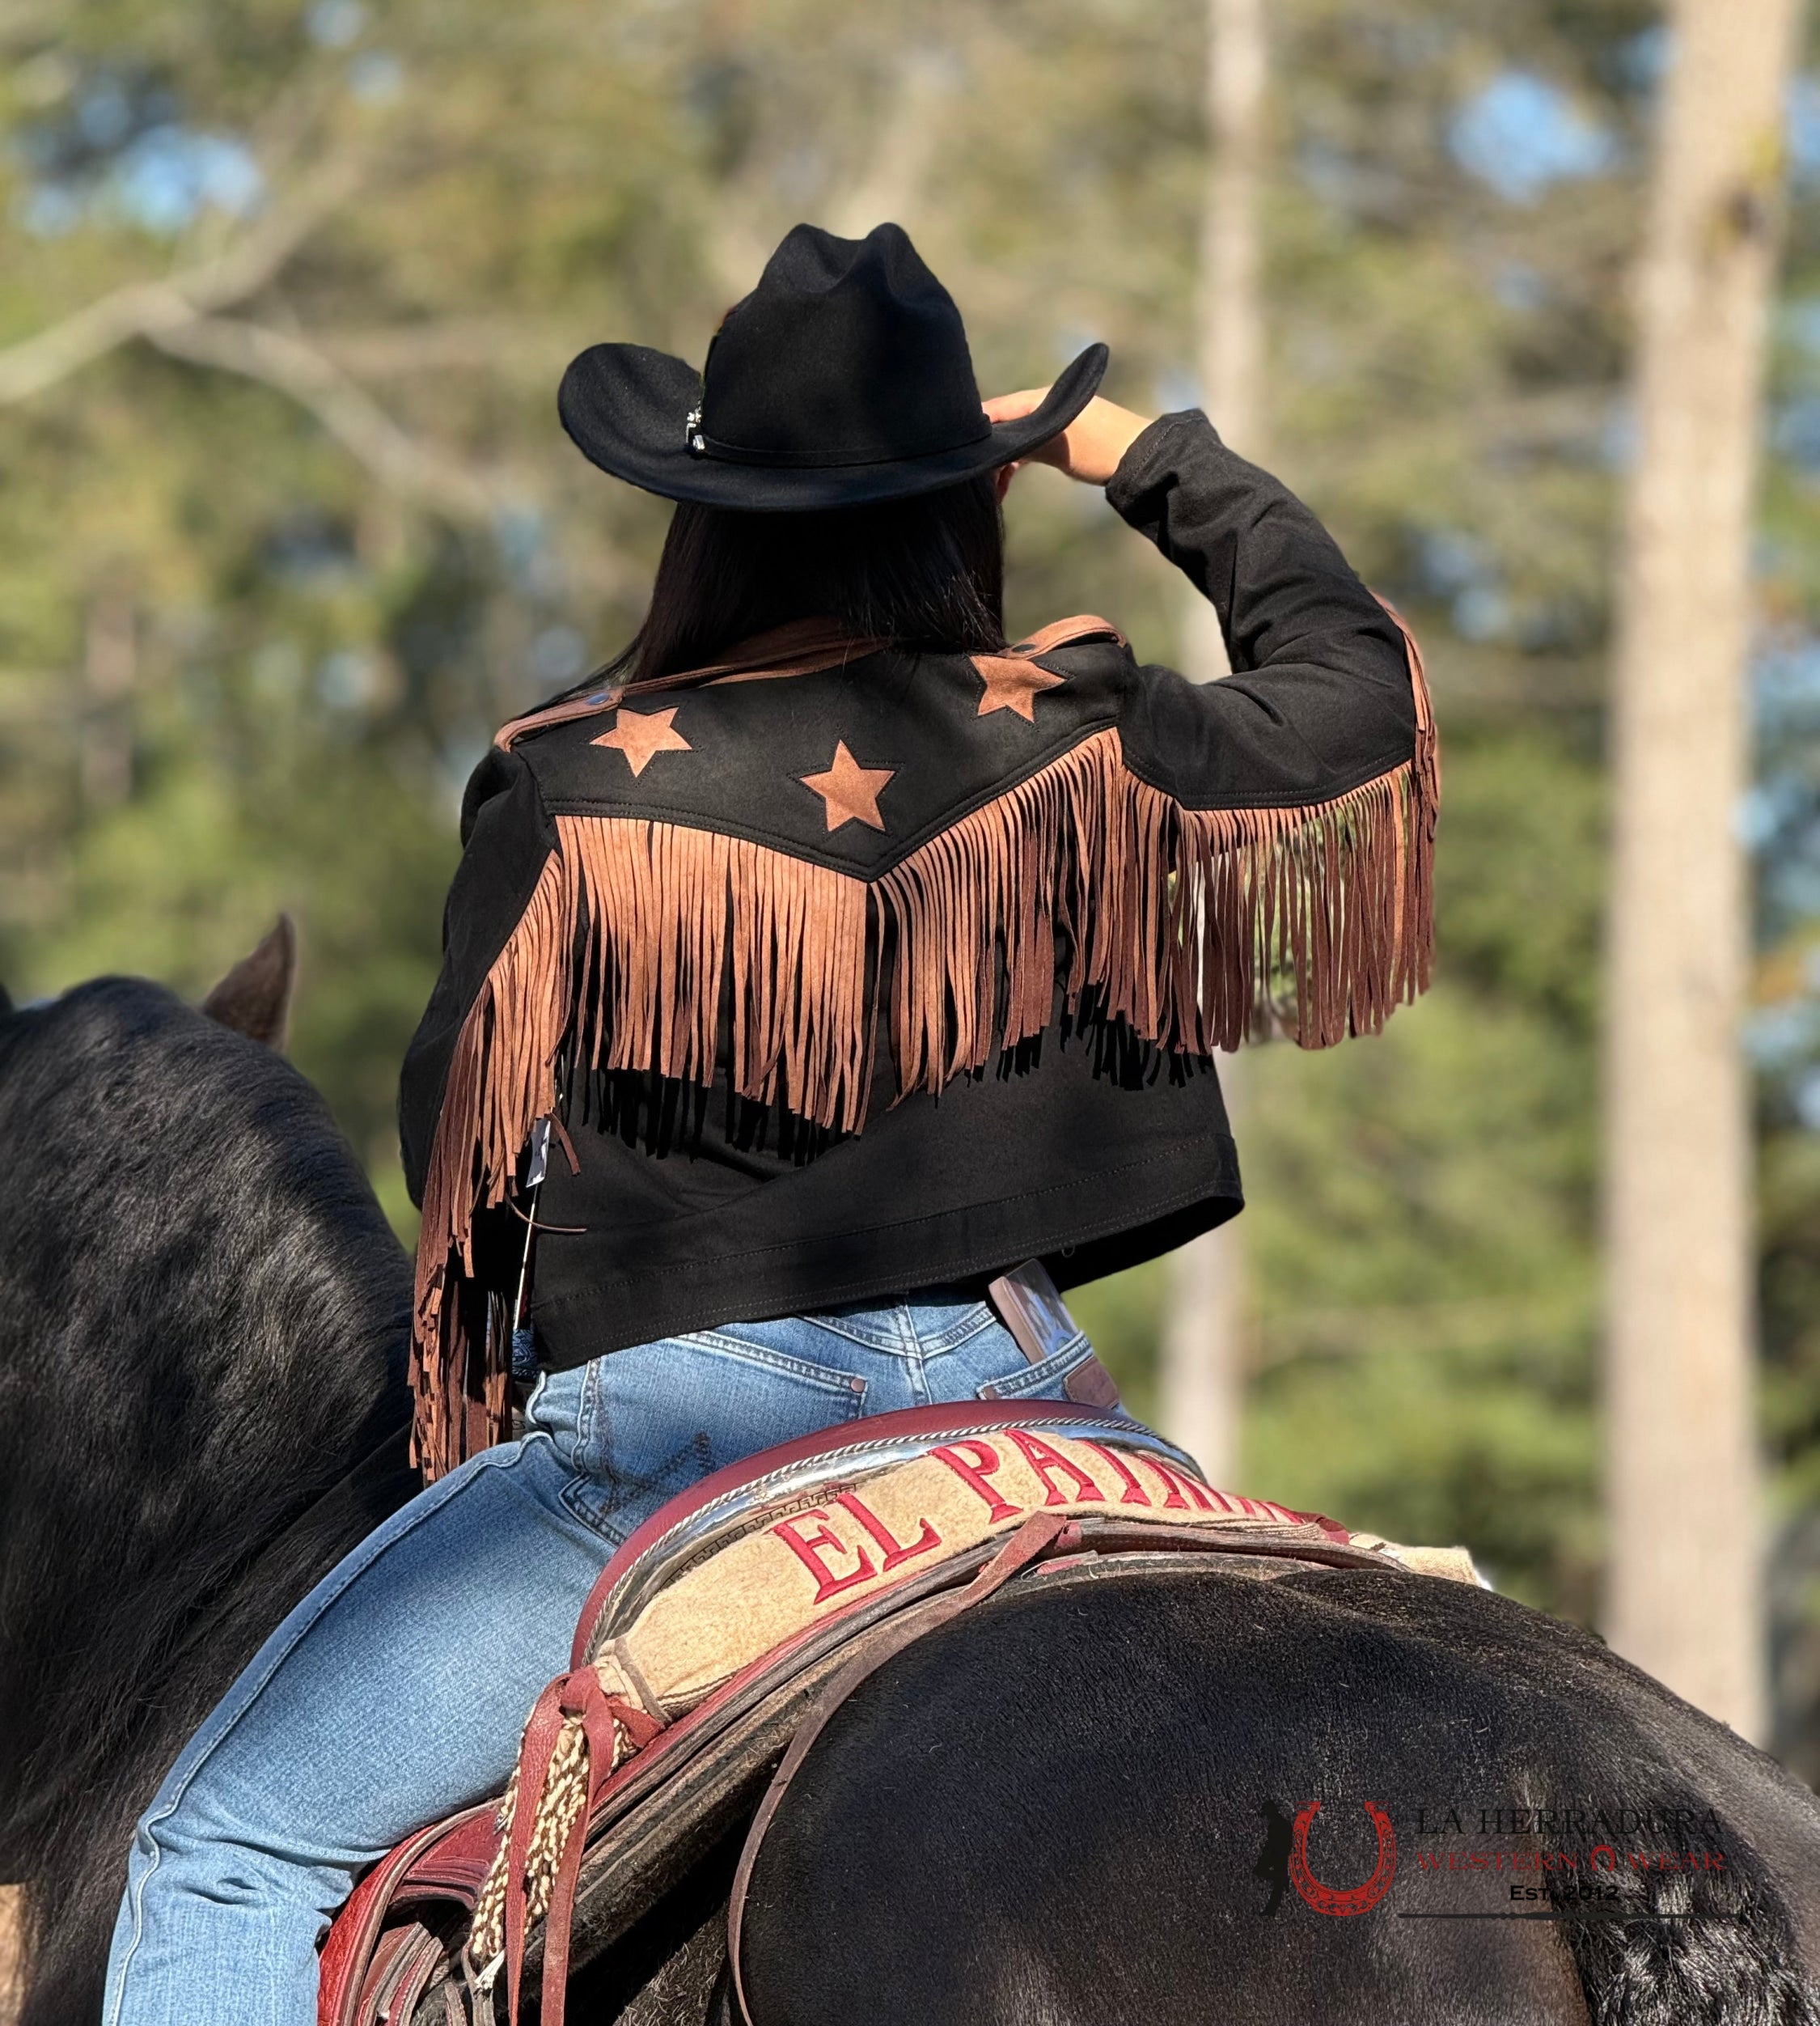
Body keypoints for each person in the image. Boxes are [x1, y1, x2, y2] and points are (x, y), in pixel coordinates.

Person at [102, 221, 1436, 2025]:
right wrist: (1136, 450)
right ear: (966, 496)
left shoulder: (573, 783)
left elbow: (468, 1185)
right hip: (1026, 1397)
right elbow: (1353, 688)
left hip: (683, 1436)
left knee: (225, 1846)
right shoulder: (1080, 730)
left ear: (701, 512)